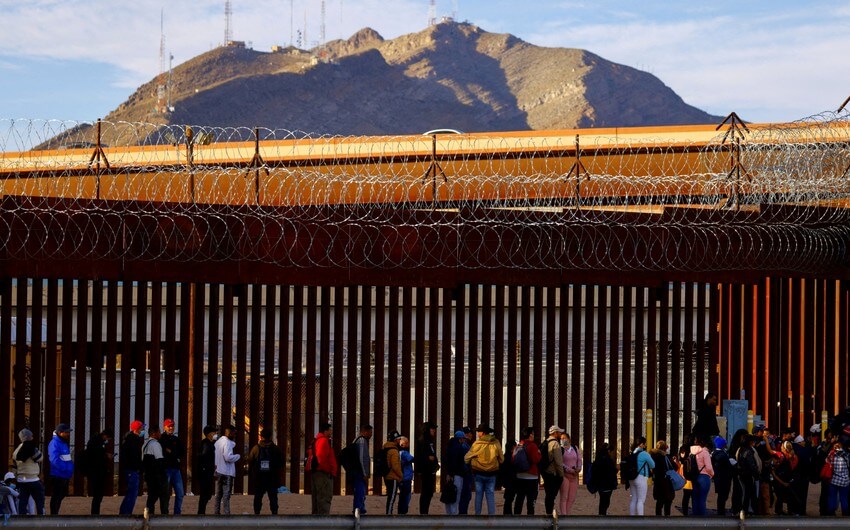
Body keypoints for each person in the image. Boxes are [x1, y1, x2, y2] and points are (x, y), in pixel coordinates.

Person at [464, 423, 504, 515]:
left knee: (478, 495)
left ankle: (477, 515)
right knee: (490, 495)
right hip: (492, 474)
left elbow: (466, 458)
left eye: (479, 431)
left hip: (479, 473)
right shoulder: (496, 442)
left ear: (482, 433)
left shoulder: (476, 444)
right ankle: (491, 516)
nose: (477, 433)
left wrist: (472, 462)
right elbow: (502, 459)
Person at [246, 427, 284, 514]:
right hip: (272, 478)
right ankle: (274, 512)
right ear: (270, 437)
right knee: (273, 497)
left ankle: (257, 512)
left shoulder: (256, 448)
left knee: (258, 496)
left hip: (260, 478)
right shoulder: (276, 449)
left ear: (261, 437)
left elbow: (250, 461)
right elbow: (281, 463)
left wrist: (253, 474)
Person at [307, 422, 338, 515]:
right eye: (330, 430)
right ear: (326, 431)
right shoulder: (323, 441)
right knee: (324, 498)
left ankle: (317, 521)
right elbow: (321, 457)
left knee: (317, 498)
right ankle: (323, 521)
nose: (331, 431)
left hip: (318, 473)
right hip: (323, 474)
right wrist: (328, 470)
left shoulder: (316, 440)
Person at [12, 428, 45, 515]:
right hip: (33, 479)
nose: (32, 437)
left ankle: (22, 520)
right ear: (28, 437)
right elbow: (40, 458)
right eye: (31, 436)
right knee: (39, 500)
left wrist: (16, 478)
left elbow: (14, 466)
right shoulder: (31, 448)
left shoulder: (16, 451)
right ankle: (41, 517)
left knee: (23, 501)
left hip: (21, 479)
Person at [82, 428, 113, 514]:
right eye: (108, 438)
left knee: (98, 495)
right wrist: (106, 456)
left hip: (96, 471)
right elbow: (97, 457)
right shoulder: (96, 442)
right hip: (96, 472)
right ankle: (95, 513)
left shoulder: (96, 441)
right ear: (105, 436)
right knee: (98, 495)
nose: (107, 440)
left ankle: (95, 512)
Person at [512, 427, 542, 515]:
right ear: (530, 435)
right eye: (533, 434)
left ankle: (517, 518)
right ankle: (530, 520)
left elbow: (513, 459)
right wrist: (539, 453)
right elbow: (535, 459)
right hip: (531, 477)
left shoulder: (519, 445)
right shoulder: (532, 446)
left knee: (519, 499)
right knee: (531, 500)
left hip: (520, 476)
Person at [119, 420, 145, 515]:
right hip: (133, 470)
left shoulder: (129, 439)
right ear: (137, 429)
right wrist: (139, 467)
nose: (143, 430)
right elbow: (135, 457)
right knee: (132, 493)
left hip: (131, 469)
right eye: (142, 428)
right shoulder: (133, 441)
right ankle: (126, 513)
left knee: (130, 493)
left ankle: (124, 512)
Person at [160, 418, 185, 515]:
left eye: (172, 426)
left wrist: (172, 452)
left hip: (175, 469)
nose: (171, 428)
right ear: (164, 427)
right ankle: (164, 513)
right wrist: (172, 453)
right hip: (166, 469)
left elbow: (181, 452)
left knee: (180, 493)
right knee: (165, 493)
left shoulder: (176, 439)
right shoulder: (161, 439)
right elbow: (163, 453)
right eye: (169, 426)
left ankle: (177, 513)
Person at [214, 424, 241, 515]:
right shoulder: (228, 443)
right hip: (227, 472)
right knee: (226, 494)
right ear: (230, 433)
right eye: (234, 433)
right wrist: (238, 456)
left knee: (218, 494)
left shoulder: (218, 442)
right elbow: (228, 457)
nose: (235, 436)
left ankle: (216, 511)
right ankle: (226, 513)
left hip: (219, 471)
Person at [442, 429, 470, 515]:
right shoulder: (459, 448)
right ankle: (454, 514)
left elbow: (446, 461)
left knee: (449, 495)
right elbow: (456, 463)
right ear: (460, 439)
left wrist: (448, 473)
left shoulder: (449, 447)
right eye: (463, 439)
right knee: (456, 495)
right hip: (457, 475)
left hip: (449, 474)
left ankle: (449, 513)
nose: (464, 440)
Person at [47, 423, 73, 514]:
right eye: (66, 432)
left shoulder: (62, 442)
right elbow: (54, 459)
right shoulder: (55, 443)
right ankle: (54, 514)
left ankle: (55, 513)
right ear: (60, 433)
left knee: (61, 494)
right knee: (56, 496)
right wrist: (65, 468)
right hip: (58, 474)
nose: (68, 434)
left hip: (64, 474)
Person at [414, 421, 439, 514]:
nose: (434, 431)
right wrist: (428, 458)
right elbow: (419, 456)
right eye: (432, 429)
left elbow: (432, 454)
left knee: (429, 493)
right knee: (425, 493)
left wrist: (435, 463)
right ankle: (423, 512)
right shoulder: (422, 440)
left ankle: (425, 512)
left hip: (431, 471)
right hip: (425, 471)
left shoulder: (430, 441)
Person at [143, 426, 169, 514]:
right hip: (158, 476)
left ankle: (149, 515)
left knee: (151, 497)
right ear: (154, 433)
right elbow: (160, 460)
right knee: (164, 498)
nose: (160, 434)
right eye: (159, 432)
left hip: (149, 475)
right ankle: (164, 517)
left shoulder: (145, 444)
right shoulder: (155, 444)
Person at [540, 425, 565, 515]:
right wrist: (561, 475)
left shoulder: (545, 442)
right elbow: (558, 462)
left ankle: (548, 512)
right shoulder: (555, 444)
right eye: (558, 432)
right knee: (551, 496)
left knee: (548, 495)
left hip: (545, 472)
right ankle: (549, 513)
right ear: (555, 433)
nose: (560, 434)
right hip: (553, 473)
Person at [628, 436, 655, 516]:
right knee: (640, 500)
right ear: (641, 444)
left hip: (632, 478)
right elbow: (653, 465)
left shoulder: (632, 453)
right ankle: (640, 520)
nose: (645, 446)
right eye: (644, 444)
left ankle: (632, 518)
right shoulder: (644, 454)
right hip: (641, 477)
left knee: (634, 499)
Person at [589, 442, 618, 515]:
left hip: (599, 484)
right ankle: (602, 516)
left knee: (602, 501)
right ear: (609, 451)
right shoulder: (608, 460)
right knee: (605, 502)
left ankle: (602, 515)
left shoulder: (598, 459)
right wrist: (617, 469)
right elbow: (611, 472)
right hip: (607, 485)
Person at [350, 424, 373, 515]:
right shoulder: (362, 441)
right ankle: (359, 509)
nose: (371, 435)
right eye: (370, 432)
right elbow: (362, 458)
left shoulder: (356, 440)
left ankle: (358, 508)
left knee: (359, 491)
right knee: (360, 491)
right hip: (359, 472)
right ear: (365, 432)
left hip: (357, 471)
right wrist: (365, 473)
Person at [690, 435, 715, 516]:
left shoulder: (692, 452)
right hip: (704, 477)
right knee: (702, 499)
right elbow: (708, 467)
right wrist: (712, 474)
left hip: (694, 476)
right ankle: (703, 519)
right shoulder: (705, 452)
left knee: (695, 498)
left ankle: (695, 517)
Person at [649, 440, 675, 516]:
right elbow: (675, 467)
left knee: (659, 503)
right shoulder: (666, 457)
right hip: (667, 482)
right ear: (665, 448)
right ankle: (667, 521)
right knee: (668, 502)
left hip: (657, 482)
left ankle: (658, 520)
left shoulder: (653, 456)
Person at [558, 432, 582, 516]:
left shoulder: (574, 448)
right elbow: (560, 463)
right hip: (565, 476)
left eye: (565, 438)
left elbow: (579, 459)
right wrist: (570, 470)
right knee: (564, 497)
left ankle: (566, 514)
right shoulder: (560, 449)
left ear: (569, 439)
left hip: (574, 477)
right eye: (562, 438)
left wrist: (579, 468)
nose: (563, 440)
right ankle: (563, 514)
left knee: (571, 498)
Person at [196, 425, 218, 514]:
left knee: (206, 494)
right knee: (205, 494)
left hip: (206, 472)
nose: (216, 434)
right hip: (205, 473)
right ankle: (201, 513)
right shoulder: (206, 444)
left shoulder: (209, 443)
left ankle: (201, 512)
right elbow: (204, 457)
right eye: (214, 432)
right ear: (209, 434)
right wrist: (208, 468)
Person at [711, 436, 733, 516]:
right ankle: (721, 512)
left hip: (718, 478)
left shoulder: (715, 453)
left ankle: (720, 511)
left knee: (721, 496)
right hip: (723, 479)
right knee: (723, 496)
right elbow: (727, 467)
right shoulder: (722, 455)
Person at [382, 431, 403, 514]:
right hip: (393, 477)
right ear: (395, 440)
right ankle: (389, 514)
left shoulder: (385, 448)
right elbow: (395, 466)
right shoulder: (394, 451)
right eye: (398, 439)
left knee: (390, 496)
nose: (399, 440)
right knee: (392, 498)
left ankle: (388, 513)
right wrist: (401, 476)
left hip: (387, 476)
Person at [826, 440, 850, 516]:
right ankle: (845, 513)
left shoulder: (831, 454)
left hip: (834, 480)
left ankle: (831, 513)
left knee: (832, 497)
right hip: (845, 481)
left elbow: (827, 463)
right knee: (844, 498)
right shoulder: (846, 455)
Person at [500, 438, 518, 515]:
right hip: (511, 481)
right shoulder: (511, 457)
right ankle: (508, 514)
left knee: (508, 499)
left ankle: (507, 513)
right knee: (509, 499)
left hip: (507, 481)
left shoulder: (505, 457)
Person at [397, 436, 414, 515]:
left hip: (403, 478)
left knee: (403, 496)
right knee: (406, 496)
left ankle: (402, 511)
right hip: (405, 478)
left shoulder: (399, 453)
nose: (408, 445)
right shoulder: (404, 453)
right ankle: (403, 512)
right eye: (406, 443)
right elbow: (411, 459)